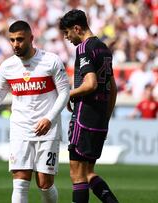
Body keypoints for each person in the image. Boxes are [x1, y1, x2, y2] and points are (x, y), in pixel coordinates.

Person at [0, 20, 70, 203]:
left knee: (44, 182)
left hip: (47, 130)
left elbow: (65, 92)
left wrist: (49, 118)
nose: (16, 44)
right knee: (20, 180)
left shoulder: (51, 61)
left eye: (20, 39)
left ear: (31, 38)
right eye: (12, 40)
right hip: (20, 128)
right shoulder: (8, 66)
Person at [59, 9, 119, 203]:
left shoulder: (84, 48)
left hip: (84, 118)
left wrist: (67, 95)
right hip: (99, 119)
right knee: (88, 172)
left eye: (67, 33)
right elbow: (113, 87)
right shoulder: (104, 48)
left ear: (77, 28)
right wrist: (106, 117)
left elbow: (90, 83)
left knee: (77, 175)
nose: (67, 38)